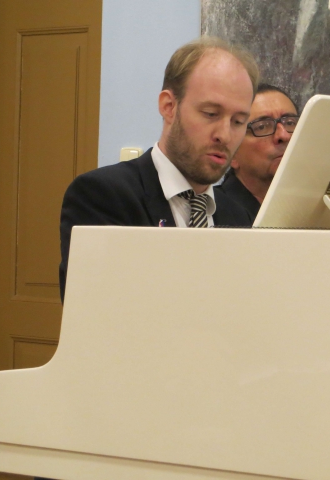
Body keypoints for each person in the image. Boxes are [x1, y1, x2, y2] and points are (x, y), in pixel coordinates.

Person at [59, 36, 259, 301]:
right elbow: (96, 310)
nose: (225, 135)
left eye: (238, 121)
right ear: (169, 107)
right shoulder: (103, 195)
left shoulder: (239, 216)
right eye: (211, 114)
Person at [216, 84, 299, 221]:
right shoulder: (212, 213)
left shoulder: (321, 207)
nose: (284, 135)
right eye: (262, 127)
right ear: (232, 153)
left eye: (290, 123)